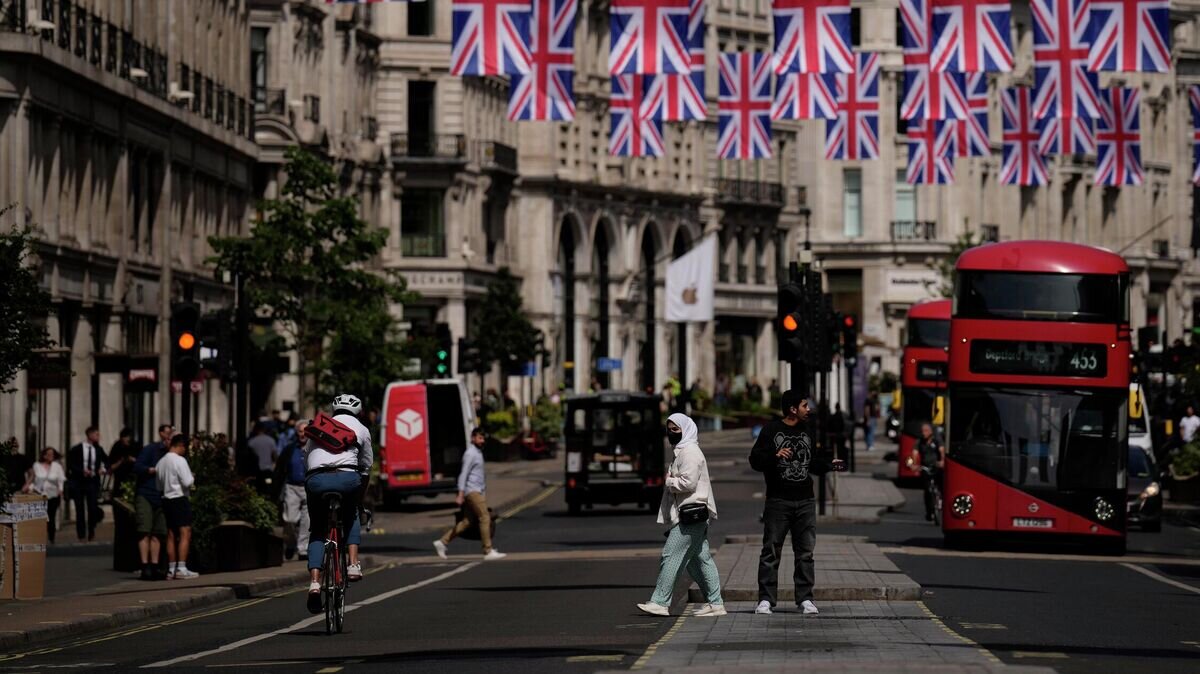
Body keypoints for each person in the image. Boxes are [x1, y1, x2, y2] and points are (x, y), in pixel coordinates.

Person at [749, 390, 845, 615]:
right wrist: (775, 456)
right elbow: (755, 460)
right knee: (771, 551)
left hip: (805, 501)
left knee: (805, 553)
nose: (808, 409)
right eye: (804, 405)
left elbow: (812, 463)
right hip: (778, 501)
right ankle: (766, 600)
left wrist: (832, 464)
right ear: (793, 409)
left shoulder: (808, 430)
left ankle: (805, 599)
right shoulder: (771, 430)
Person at [637, 413, 724, 617]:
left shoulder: (690, 453)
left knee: (670, 555)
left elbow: (689, 483)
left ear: (686, 430)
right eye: (669, 429)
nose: (671, 433)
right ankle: (715, 603)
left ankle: (660, 602)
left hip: (691, 515)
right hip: (691, 513)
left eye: (675, 429)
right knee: (700, 561)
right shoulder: (683, 451)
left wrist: (669, 481)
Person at [304, 394, 373, 613]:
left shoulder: (319, 425)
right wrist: (359, 499)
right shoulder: (361, 429)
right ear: (358, 412)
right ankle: (353, 564)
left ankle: (315, 583)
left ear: (333, 410)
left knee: (318, 529)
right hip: (347, 478)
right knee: (351, 513)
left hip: (316, 479)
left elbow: (307, 459)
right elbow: (366, 467)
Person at [433, 428, 507, 561]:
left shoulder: (478, 452)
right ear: (473, 438)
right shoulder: (470, 454)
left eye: (483, 438)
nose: (482, 441)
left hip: (477, 491)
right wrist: (460, 494)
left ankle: (442, 542)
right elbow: (463, 474)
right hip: (472, 491)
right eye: (479, 438)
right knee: (485, 518)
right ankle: (488, 551)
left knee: (467, 522)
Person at [133, 424, 173, 581]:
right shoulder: (151, 449)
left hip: (162, 496)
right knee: (144, 530)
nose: (169, 440)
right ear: (162, 435)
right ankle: (145, 566)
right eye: (168, 436)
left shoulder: (172, 455)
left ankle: (155, 566)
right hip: (146, 493)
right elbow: (137, 466)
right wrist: (150, 470)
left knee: (158, 533)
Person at [156, 434, 198, 579]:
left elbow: (158, 485)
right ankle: (181, 568)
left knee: (171, 534)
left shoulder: (161, 462)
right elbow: (187, 482)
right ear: (180, 445)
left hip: (166, 499)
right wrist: (192, 476)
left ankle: (171, 569)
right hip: (179, 498)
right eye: (185, 448)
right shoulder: (180, 460)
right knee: (185, 532)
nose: (185, 451)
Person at [66, 426, 107, 542]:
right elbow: (71, 464)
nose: (99, 437)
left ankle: (91, 531)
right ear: (89, 435)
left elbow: (107, 461)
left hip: (92, 482)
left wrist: (103, 469)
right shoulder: (77, 449)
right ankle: (81, 534)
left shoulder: (98, 449)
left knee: (92, 508)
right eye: (96, 434)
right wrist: (81, 471)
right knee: (80, 509)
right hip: (78, 482)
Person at [279, 420, 311, 561]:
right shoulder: (290, 448)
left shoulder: (314, 449)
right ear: (296, 433)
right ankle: (291, 545)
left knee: (307, 521)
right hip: (292, 487)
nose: (303, 434)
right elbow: (280, 468)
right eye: (300, 431)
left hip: (308, 487)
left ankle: (303, 549)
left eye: (305, 431)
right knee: (290, 520)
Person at [23, 447, 66, 543]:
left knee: (51, 516)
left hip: (53, 494)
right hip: (39, 494)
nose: (51, 456)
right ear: (44, 455)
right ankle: (40, 537)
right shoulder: (37, 465)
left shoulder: (57, 466)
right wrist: (30, 488)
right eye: (49, 454)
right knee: (40, 517)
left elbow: (61, 480)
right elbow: (33, 479)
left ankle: (51, 538)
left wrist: (61, 490)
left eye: (52, 454)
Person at [916, 423, 946, 521]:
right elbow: (914, 453)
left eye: (925, 431)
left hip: (936, 466)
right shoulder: (920, 441)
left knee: (941, 484)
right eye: (922, 431)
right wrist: (914, 464)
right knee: (927, 489)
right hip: (925, 467)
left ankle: (942, 499)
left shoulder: (937, 440)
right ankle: (929, 511)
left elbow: (942, 451)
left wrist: (942, 461)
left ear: (930, 432)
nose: (923, 433)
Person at [248, 423, 278, 497]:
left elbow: (249, 457)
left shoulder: (252, 442)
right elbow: (275, 455)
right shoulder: (271, 440)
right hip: (268, 470)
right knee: (268, 485)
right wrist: (275, 464)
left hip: (256, 471)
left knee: (258, 488)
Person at [108, 428, 141, 493]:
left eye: (128, 438)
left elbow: (141, 460)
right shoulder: (117, 446)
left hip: (132, 476)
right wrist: (121, 461)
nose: (127, 440)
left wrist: (133, 459)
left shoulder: (136, 445)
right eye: (125, 438)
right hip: (119, 476)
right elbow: (111, 462)